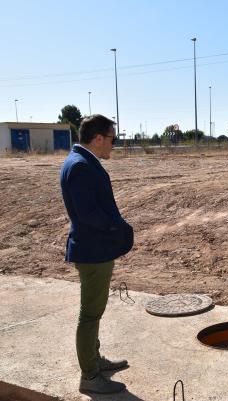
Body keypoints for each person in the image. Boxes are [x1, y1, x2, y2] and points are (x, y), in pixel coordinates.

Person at [60, 114, 134, 394]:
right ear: (98, 138)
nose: (113, 145)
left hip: (95, 248)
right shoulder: (80, 166)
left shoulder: (80, 161)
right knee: (90, 314)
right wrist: (115, 227)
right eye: (112, 139)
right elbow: (87, 213)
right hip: (93, 251)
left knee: (95, 311)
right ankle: (89, 376)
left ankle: (95, 360)